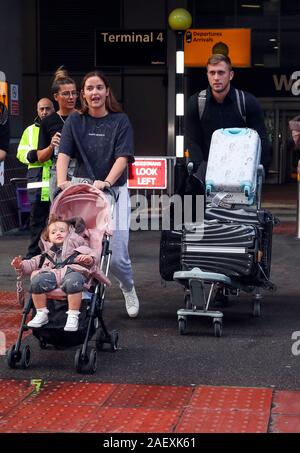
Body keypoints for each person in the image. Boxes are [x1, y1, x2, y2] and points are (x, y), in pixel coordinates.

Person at [56, 70, 140, 319]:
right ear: (83, 94)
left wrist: (106, 182)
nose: (94, 93)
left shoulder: (120, 121)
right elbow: (64, 154)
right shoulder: (75, 121)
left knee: (116, 255)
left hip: (114, 191)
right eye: (89, 88)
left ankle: (128, 287)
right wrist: (62, 182)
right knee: (80, 249)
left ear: (106, 91)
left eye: (99, 88)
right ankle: (82, 293)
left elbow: (123, 157)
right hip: (84, 192)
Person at [11, 215, 110, 332]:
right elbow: (32, 263)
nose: (58, 233)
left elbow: (94, 255)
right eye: (53, 232)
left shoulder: (80, 248)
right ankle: (41, 313)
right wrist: (21, 265)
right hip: (52, 275)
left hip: (72, 272)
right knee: (37, 281)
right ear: (48, 237)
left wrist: (89, 259)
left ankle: (73, 315)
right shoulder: (46, 255)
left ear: (70, 233)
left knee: (73, 281)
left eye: (62, 231)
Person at [185, 54, 272, 185]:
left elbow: (262, 139)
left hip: (242, 174)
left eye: (221, 73)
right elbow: (192, 140)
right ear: (207, 75)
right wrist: (201, 171)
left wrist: (258, 170)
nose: (216, 78)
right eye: (212, 73)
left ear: (230, 75)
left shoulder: (247, 102)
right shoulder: (195, 103)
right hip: (207, 174)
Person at [17, 98, 55, 258]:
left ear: (54, 109)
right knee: (36, 222)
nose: (44, 112)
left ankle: (54, 255)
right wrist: (33, 155)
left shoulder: (59, 127)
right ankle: (33, 255)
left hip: (55, 183)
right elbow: (21, 153)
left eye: (47, 108)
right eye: (41, 109)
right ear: (37, 111)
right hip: (38, 183)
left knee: (57, 222)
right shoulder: (30, 131)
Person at [36, 66, 78, 200]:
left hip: (80, 172)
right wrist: (51, 146)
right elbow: (41, 157)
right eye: (66, 94)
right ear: (56, 96)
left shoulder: (84, 117)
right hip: (57, 173)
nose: (71, 97)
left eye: (74, 93)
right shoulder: (48, 122)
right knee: (58, 214)